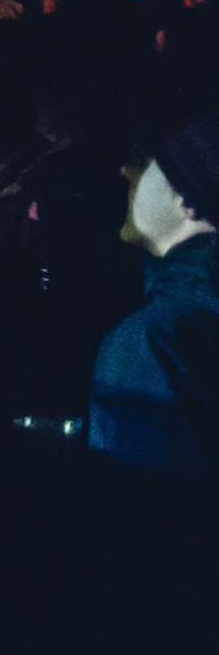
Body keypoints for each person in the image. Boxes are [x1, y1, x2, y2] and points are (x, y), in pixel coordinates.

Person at [89, 110, 219, 477]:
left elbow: (145, 510)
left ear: (189, 203)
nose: (126, 172)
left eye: (151, 164)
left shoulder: (155, 339)